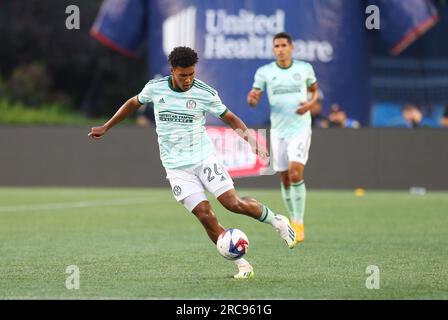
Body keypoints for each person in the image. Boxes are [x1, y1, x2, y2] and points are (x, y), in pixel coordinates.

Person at [88, 46, 296, 280]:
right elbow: (132, 103)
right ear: (172, 71)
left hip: (203, 158)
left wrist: (252, 141)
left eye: (191, 74)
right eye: (182, 75)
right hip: (176, 168)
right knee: (205, 216)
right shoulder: (155, 89)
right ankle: (242, 265)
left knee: (232, 203)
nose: (188, 80)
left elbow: (230, 117)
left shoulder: (204, 93)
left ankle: (276, 221)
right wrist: (107, 126)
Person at [247, 32, 318, 244]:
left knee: (296, 173)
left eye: (283, 45)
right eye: (276, 46)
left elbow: (314, 91)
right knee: (284, 177)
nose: (280, 49)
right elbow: (254, 98)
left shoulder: (304, 68)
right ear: (273, 49)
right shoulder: (265, 72)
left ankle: (298, 222)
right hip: (278, 131)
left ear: (291, 47)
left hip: (300, 129)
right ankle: (292, 219)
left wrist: (309, 104)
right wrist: (252, 99)